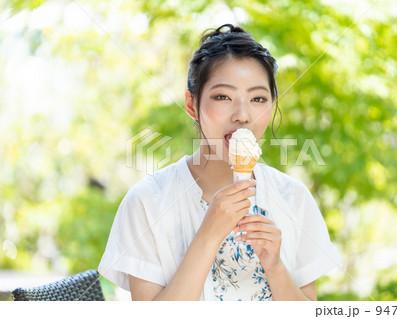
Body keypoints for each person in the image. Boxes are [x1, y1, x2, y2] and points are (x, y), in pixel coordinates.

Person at [98, 24, 342, 301]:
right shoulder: (146, 202)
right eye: (223, 97)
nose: (242, 115)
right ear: (191, 105)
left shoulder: (294, 198)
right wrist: (208, 235)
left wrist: (274, 265)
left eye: (258, 98)